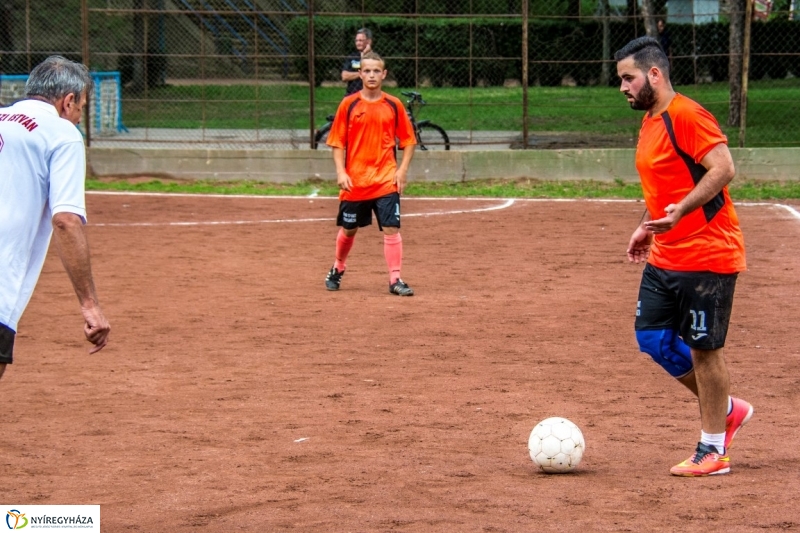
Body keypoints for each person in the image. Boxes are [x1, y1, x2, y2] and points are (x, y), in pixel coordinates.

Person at [614, 36, 753, 477]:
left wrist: (681, 213)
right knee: (652, 339)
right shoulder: (652, 120)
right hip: (665, 254)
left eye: (628, 78)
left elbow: (724, 167)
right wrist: (646, 223)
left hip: (707, 253)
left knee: (704, 350)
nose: (622, 87)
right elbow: (666, 184)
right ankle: (727, 410)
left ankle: (713, 449)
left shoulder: (687, 115)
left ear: (654, 74)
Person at [0, 55, 111, 380]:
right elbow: (65, 220)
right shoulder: (61, 134)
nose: (78, 118)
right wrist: (90, 304)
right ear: (68, 101)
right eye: (81, 109)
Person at [324, 51, 417, 296]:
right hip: (355, 182)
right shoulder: (349, 104)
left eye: (377, 71)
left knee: (391, 228)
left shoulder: (393, 104)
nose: (372, 75)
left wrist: (402, 170)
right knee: (348, 230)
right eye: (367, 71)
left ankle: (395, 279)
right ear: (360, 73)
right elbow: (337, 142)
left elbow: (409, 141)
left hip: (386, 179)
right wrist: (341, 172)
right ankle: (338, 267)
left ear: (384, 74)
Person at [341, 28, 373, 96]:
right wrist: (362, 74)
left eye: (361, 40)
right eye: (356, 41)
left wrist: (364, 55)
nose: (358, 43)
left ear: (369, 42)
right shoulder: (352, 56)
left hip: (368, 96)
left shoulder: (374, 58)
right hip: (351, 94)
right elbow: (344, 76)